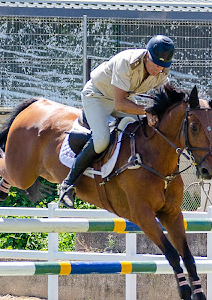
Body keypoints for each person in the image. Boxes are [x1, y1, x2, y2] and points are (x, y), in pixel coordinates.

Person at [58, 35, 175, 208]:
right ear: (147, 55)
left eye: (163, 66)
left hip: (123, 100)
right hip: (97, 97)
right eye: (156, 64)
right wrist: (146, 110)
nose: (158, 70)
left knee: (141, 131)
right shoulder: (126, 62)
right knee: (101, 140)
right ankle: (67, 185)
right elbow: (120, 103)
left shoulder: (162, 70)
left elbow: (167, 96)